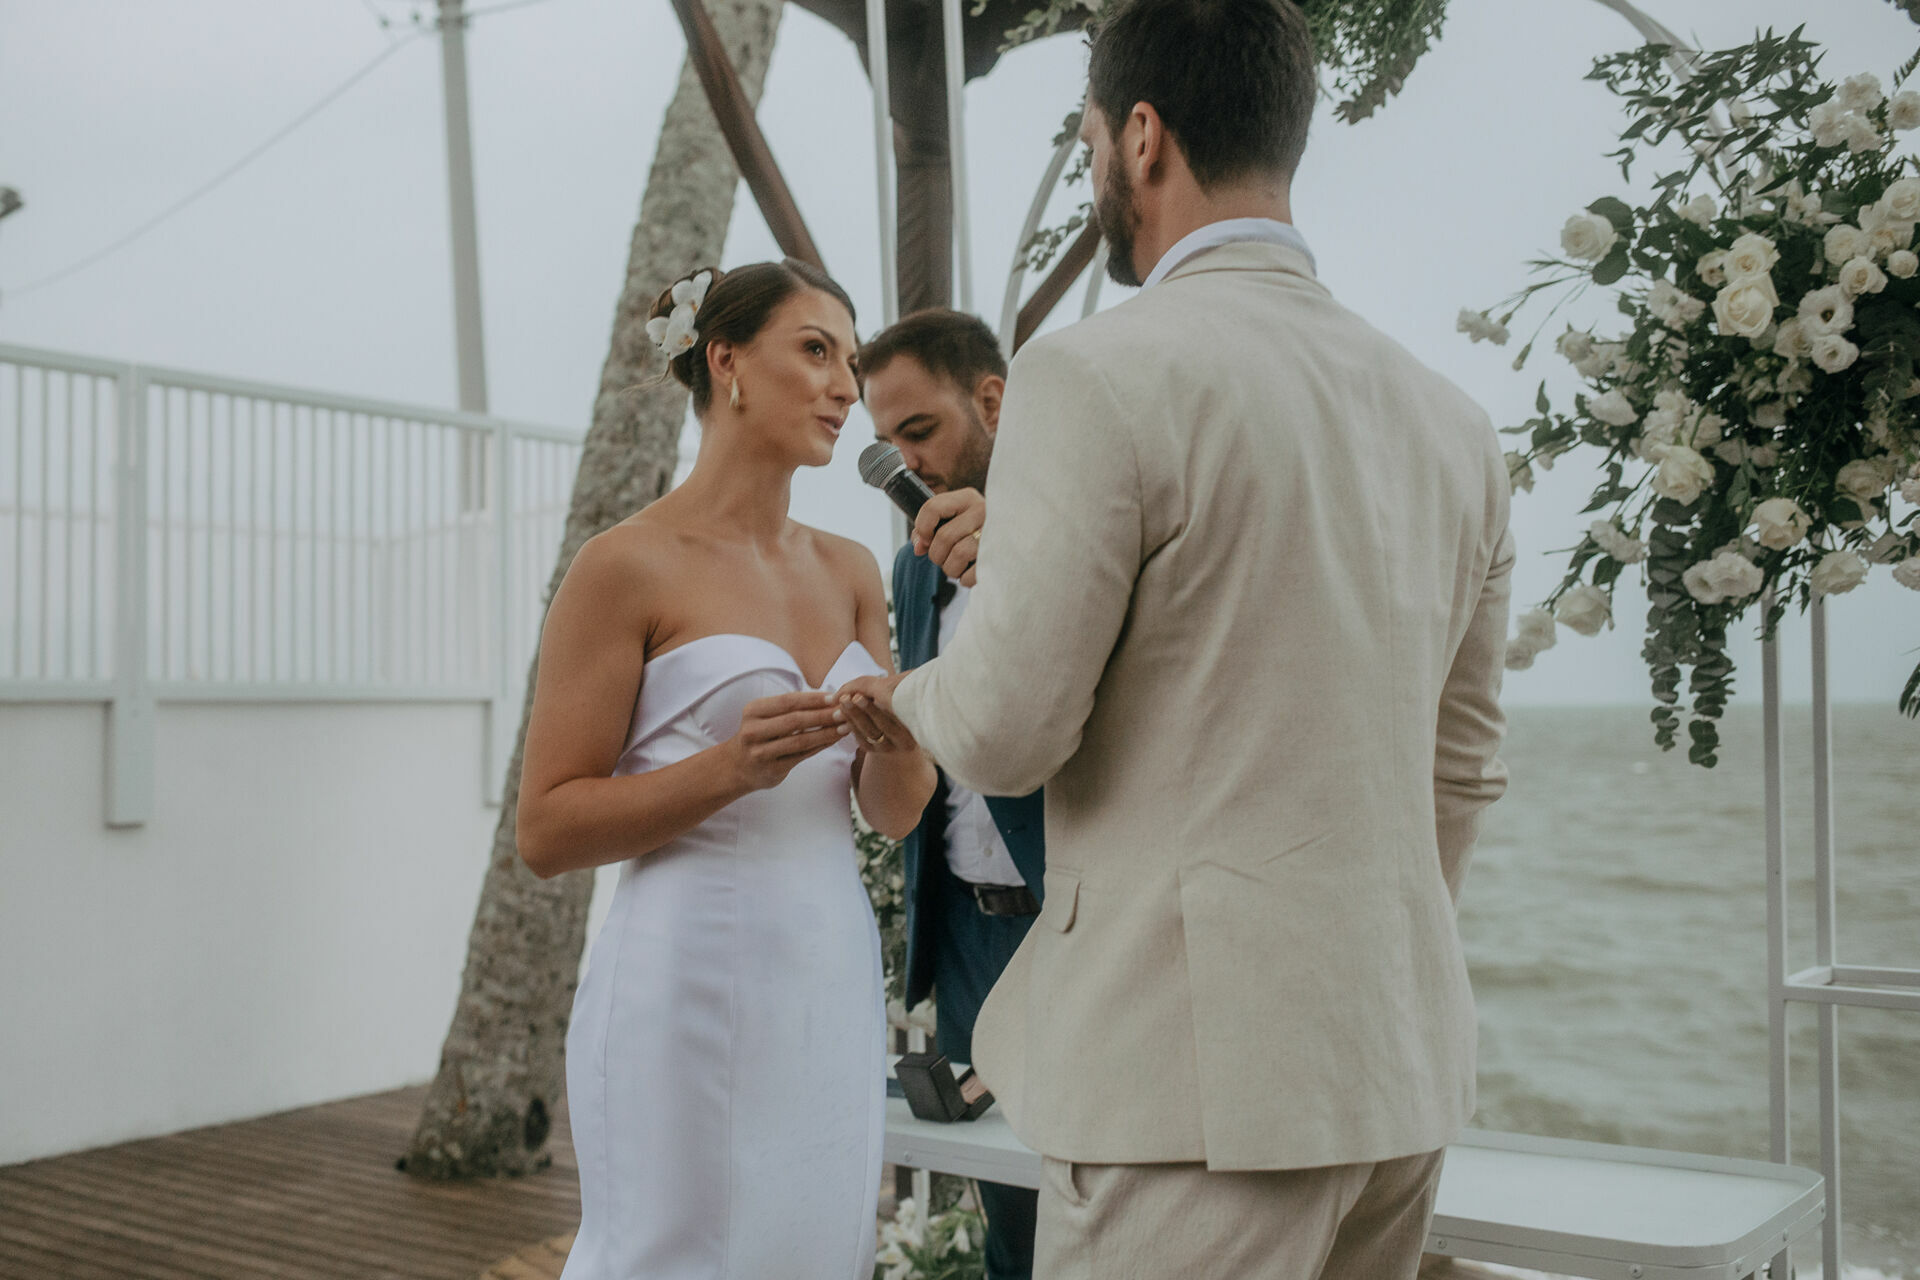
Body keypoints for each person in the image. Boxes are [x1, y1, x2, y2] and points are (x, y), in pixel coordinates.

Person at [836, 0, 1514, 1273]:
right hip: (1395, 1064)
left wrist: (910, 694)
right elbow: (1464, 765)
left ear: (1139, 137)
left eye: (1093, 140)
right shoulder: (1454, 421)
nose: (1100, 165)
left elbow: (1009, 726)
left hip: (1192, 1089)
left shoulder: (1095, 373)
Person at [515, 259, 938, 1280]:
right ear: (726, 361)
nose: (848, 386)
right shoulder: (624, 565)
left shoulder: (849, 568)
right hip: (684, 981)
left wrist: (905, 730)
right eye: (816, 350)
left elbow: (893, 812)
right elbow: (546, 829)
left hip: (829, 979)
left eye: (852, 358)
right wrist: (729, 768)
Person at [859, 309, 1044, 1280]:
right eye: (885, 440)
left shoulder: (1069, 524)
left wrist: (1015, 551)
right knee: (1009, 1211)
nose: (905, 460)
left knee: (1105, 1196)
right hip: (968, 929)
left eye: (919, 430)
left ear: (993, 399)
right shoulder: (909, 567)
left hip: (1077, 920)